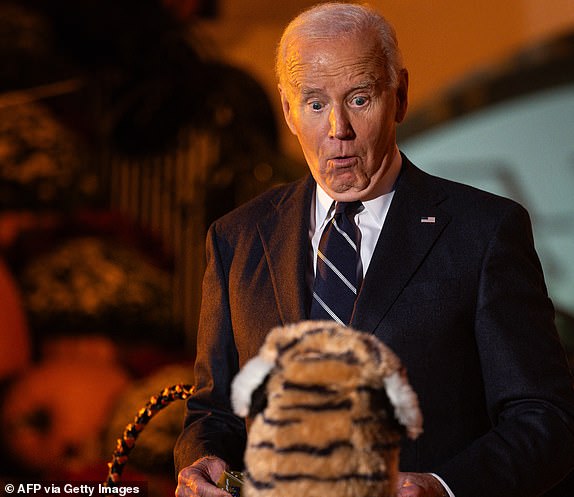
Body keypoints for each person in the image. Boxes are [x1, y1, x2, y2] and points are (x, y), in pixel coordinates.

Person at [174, 3, 574, 496]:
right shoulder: (236, 238)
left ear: (399, 96)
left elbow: (544, 420)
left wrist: (443, 487)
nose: (337, 129)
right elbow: (214, 411)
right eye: (315, 104)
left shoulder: (484, 232)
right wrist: (203, 460)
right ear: (288, 111)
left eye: (359, 99)